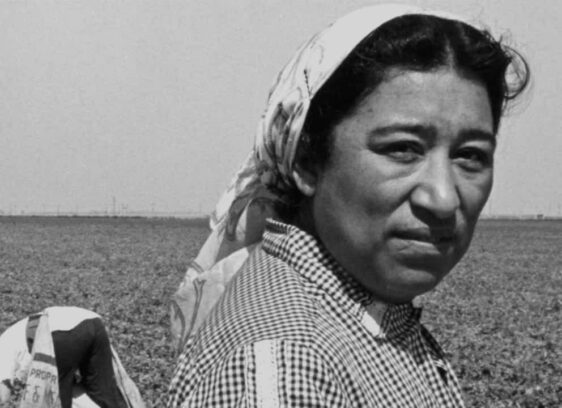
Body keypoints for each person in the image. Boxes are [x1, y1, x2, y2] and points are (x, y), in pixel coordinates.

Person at [168, 4, 529, 407]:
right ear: (307, 161)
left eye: (470, 155)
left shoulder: (362, 321)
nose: (444, 198)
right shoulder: (288, 365)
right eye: (402, 149)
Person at [0, 306, 138, 408]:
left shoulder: (3, 347)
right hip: (94, 322)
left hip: (58, 333)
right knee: (103, 390)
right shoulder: (11, 335)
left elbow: (3, 395)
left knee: (57, 397)